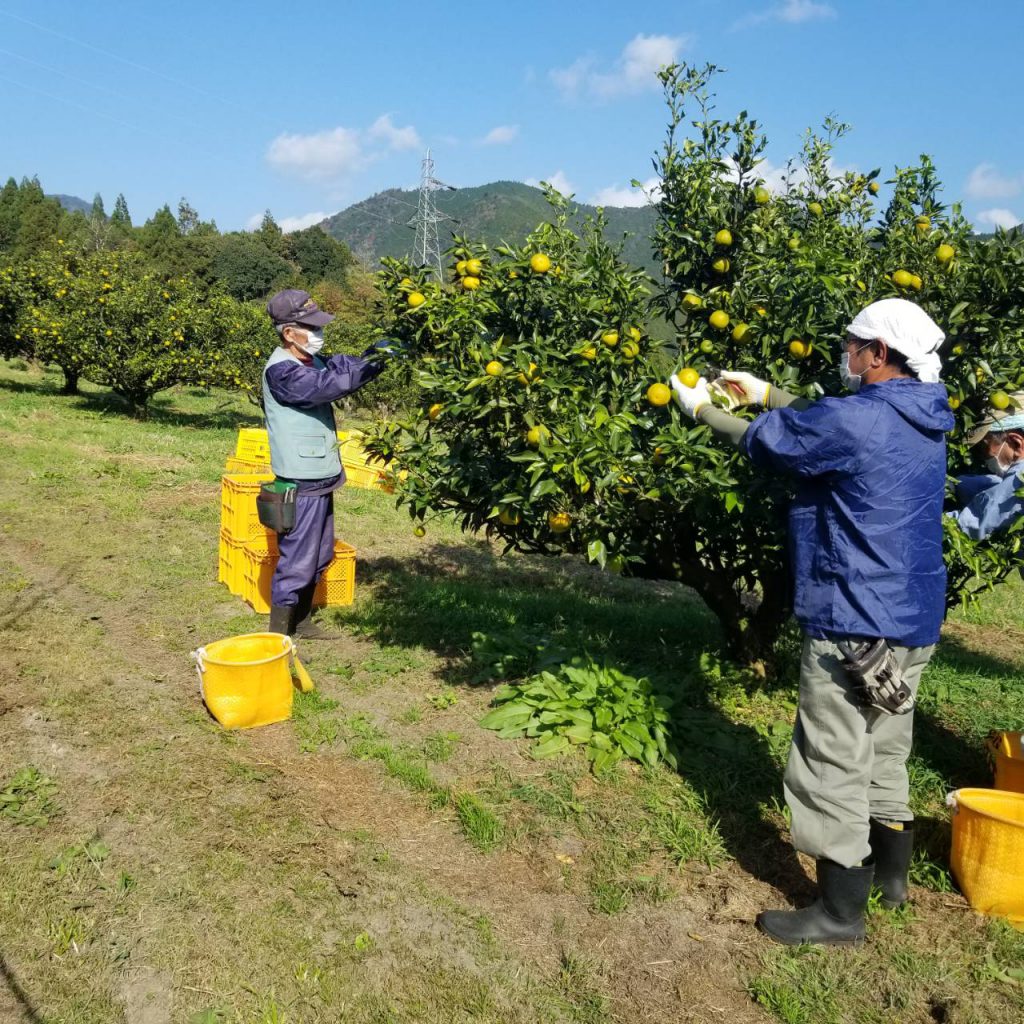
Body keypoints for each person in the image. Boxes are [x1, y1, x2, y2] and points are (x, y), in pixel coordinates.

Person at [669, 298, 954, 946]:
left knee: (831, 760)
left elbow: (779, 443)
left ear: (878, 354)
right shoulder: (927, 414)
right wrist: (767, 390)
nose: (844, 356)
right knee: (886, 747)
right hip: (913, 616)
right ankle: (892, 881)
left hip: (855, 617)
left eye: (853, 345)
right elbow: (841, 423)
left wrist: (702, 408)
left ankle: (838, 914)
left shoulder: (858, 420)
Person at [263, 289, 393, 639]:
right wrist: (375, 363)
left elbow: (344, 367)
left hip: (321, 476)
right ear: (289, 333)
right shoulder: (282, 372)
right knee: (298, 561)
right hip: (300, 481)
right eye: (311, 328)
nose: (319, 335)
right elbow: (326, 386)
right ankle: (278, 637)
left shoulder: (312, 360)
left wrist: (377, 351)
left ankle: (301, 622)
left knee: (319, 554)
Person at [950, 392, 1024, 540]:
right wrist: (955, 484)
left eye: (985, 449)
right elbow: (997, 488)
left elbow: (975, 523)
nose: (984, 459)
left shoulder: (1020, 479)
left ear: (1016, 443)